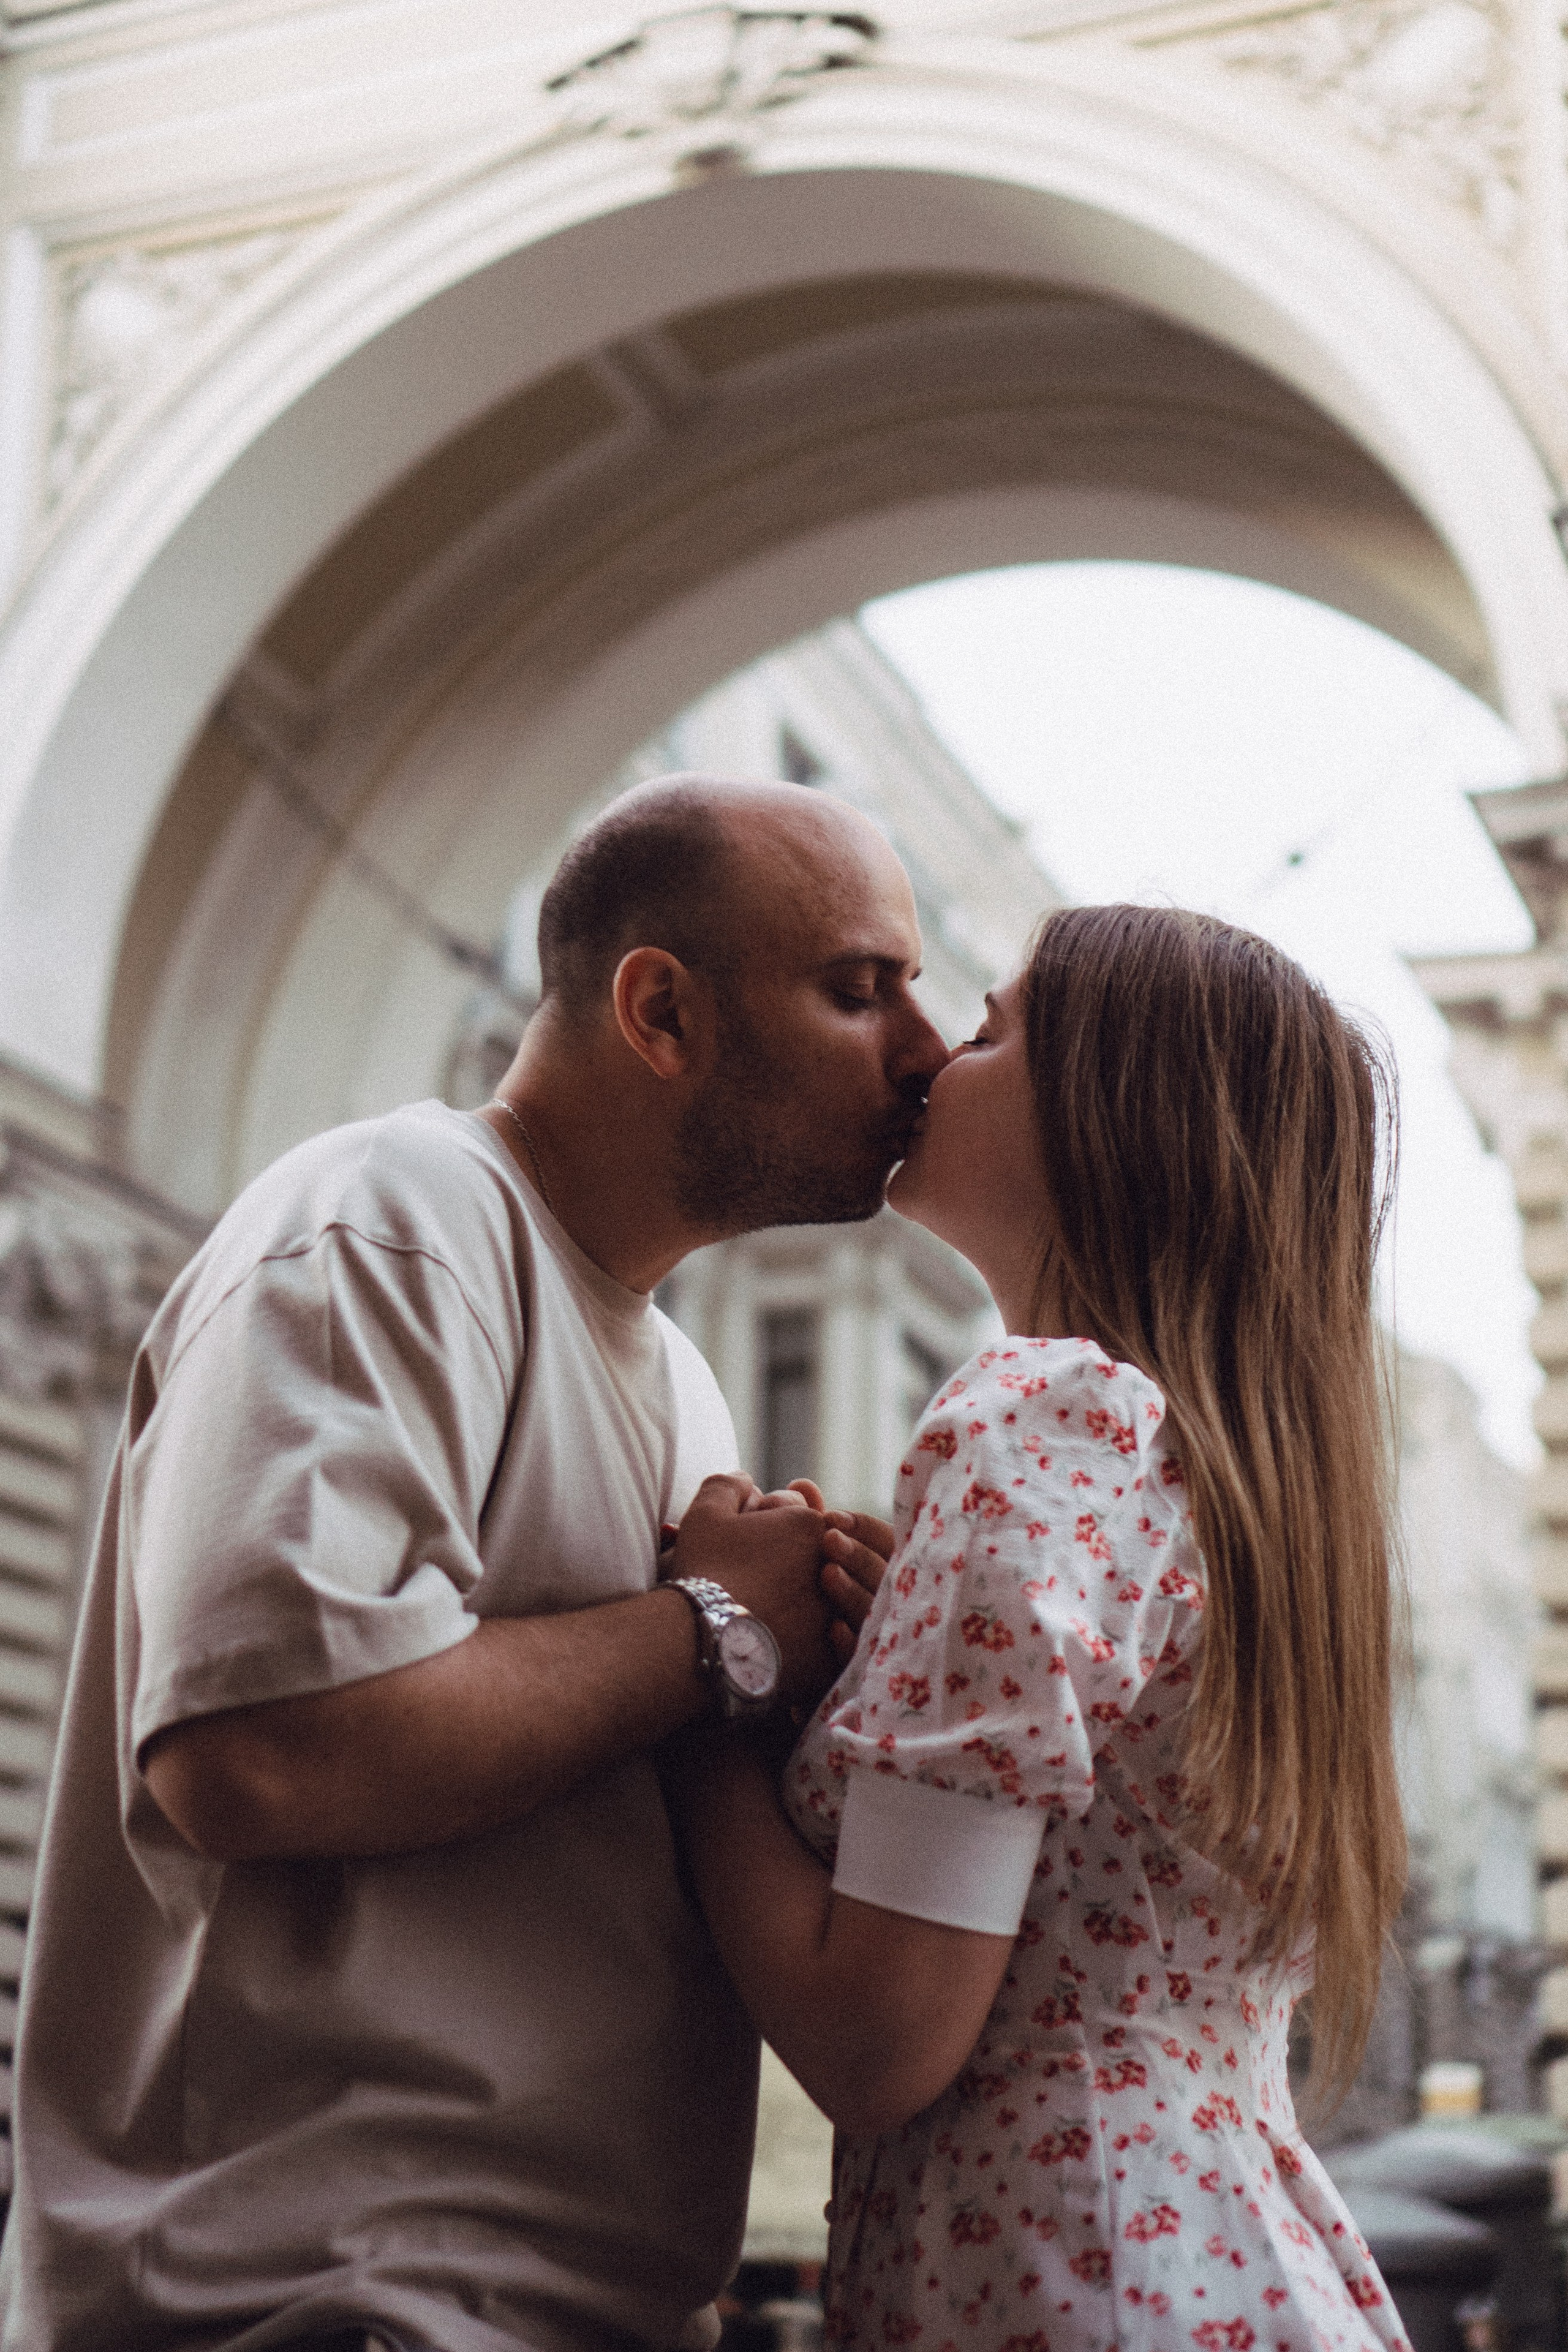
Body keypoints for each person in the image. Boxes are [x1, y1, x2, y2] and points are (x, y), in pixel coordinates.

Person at [0, 776, 947, 2352]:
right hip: (331, 2300)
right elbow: (263, 1751)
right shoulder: (390, 1221)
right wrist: (719, 1628)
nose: (918, 1052)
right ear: (660, 1011)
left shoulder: (677, 1373)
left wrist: (806, 1663)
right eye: (860, 991)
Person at [668, 903, 1411, 2351]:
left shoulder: (1039, 1412)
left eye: (994, 1028)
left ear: (1110, 1115)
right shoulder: (1217, 1476)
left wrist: (710, 1679)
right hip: (1219, 2258)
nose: (939, 1050)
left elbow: (877, 2038)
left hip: (1072, 2273)